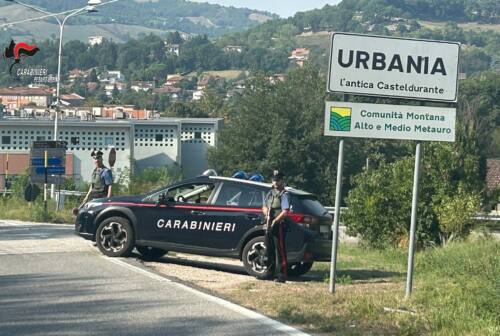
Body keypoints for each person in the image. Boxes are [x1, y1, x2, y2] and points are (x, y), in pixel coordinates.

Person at [262, 170, 290, 283]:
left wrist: (275, 221)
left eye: (277, 180)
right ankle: (269, 272)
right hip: (269, 224)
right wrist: (266, 212)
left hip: (279, 225)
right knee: (269, 249)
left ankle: (282, 274)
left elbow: (285, 211)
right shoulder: (270, 193)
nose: (275, 182)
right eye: (274, 180)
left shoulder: (284, 195)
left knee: (280, 250)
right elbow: (263, 206)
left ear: (282, 181)